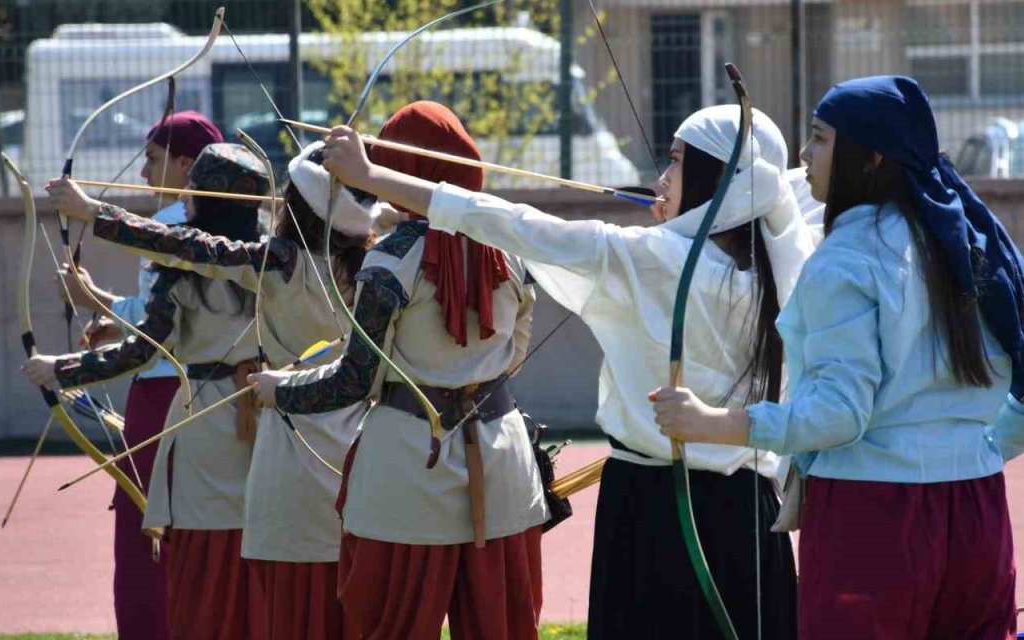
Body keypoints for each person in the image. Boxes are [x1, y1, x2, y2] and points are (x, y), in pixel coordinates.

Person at [312, 103, 814, 639]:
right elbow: (786, 186)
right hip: (750, 514)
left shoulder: (649, 257)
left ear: (718, 180)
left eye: (676, 162)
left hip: (655, 507)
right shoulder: (789, 260)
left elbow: (513, 224)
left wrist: (370, 176)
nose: (661, 179)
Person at [650, 76, 1024, 640]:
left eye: (820, 139)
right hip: (979, 510)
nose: (803, 155)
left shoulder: (845, 259)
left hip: (871, 518)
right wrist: (980, 448)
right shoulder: (977, 242)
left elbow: (837, 415)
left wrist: (711, 423)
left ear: (870, 157)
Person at [49, 138, 378, 639]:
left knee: (221, 585)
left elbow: (185, 248)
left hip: (274, 434)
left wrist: (91, 212)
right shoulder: (374, 265)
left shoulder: (277, 263)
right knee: (319, 587)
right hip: (348, 439)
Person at [250, 101, 546, 640]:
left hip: (410, 470)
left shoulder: (389, 261)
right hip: (502, 458)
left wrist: (280, 391)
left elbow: (353, 381)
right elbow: (515, 350)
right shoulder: (511, 249)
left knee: (392, 626)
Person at [26, 143, 271, 640]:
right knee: (264, 569)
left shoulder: (188, 265)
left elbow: (143, 352)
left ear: (198, 199)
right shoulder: (280, 259)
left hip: (207, 431)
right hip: (272, 427)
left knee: (203, 572)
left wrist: (62, 370)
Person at [59, 110, 222, 640]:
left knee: (149, 540)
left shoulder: (178, 225)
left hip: (164, 400)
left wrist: (89, 214)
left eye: (154, 160)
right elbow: (166, 312)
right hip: (189, 397)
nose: (145, 173)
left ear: (186, 163)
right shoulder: (205, 226)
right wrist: (108, 311)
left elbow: (166, 327)